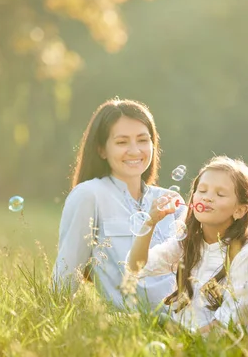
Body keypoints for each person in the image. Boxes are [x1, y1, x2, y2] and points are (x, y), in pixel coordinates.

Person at [52, 98, 186, 310]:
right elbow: (67, 271)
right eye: (122, 142)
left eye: (143, 140)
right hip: (139, 323)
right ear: (102, 150)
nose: (135, 151)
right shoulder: (90, 195)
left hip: (189, 315)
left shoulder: (170, 200)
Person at [127, 156, 248, 340]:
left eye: (220, 194)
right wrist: (150, 222)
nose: (207, 197)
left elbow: (227, 323)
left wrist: (184, 340)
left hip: (234, 344)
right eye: (202, 190)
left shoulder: (245, 255)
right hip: (191, 336)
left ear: (239, 210)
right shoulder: (188, 242)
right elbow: (136, 266)